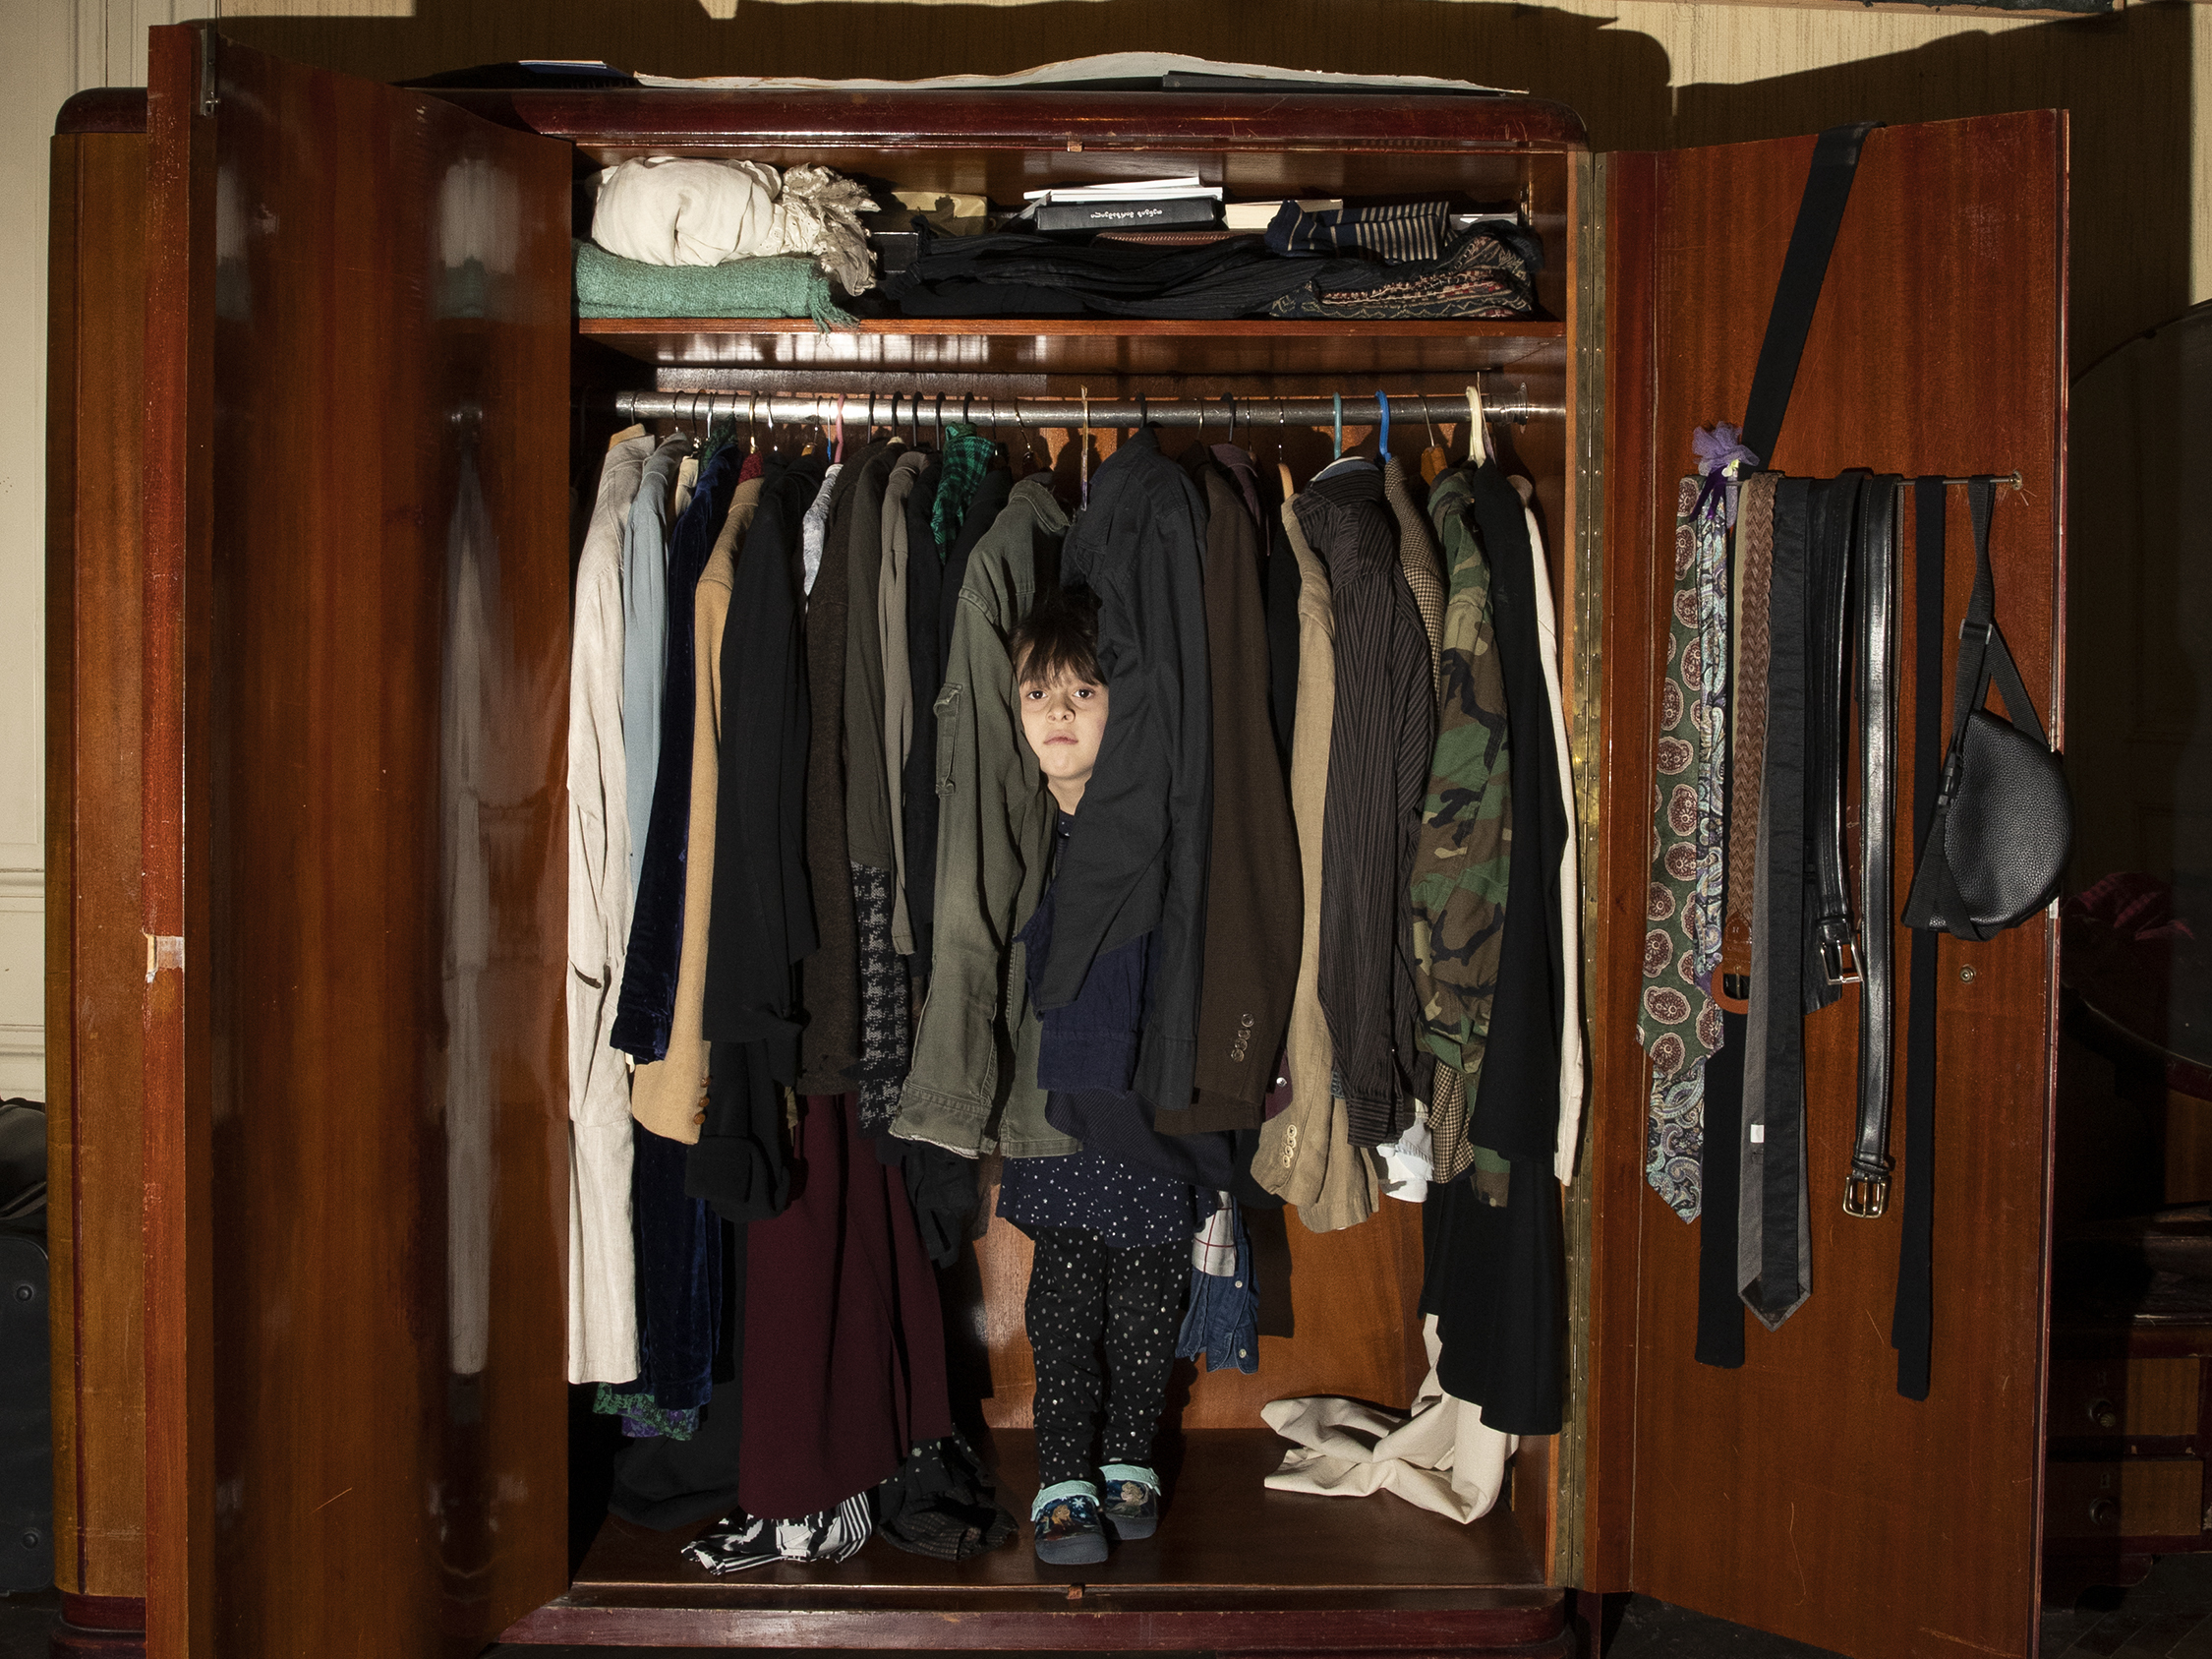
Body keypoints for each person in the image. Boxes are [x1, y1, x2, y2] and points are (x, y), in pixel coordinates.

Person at [996, 586, 1196, 1567]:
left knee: (1151, 1293)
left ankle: (1129, 1455)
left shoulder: (1152, 815)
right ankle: (1063, 1472)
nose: (1061, 713)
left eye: (1083, 691)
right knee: (1067, 1295)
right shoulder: (1029, 828)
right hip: (1065, 1114)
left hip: (1148, 1103)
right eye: (1039, 693)